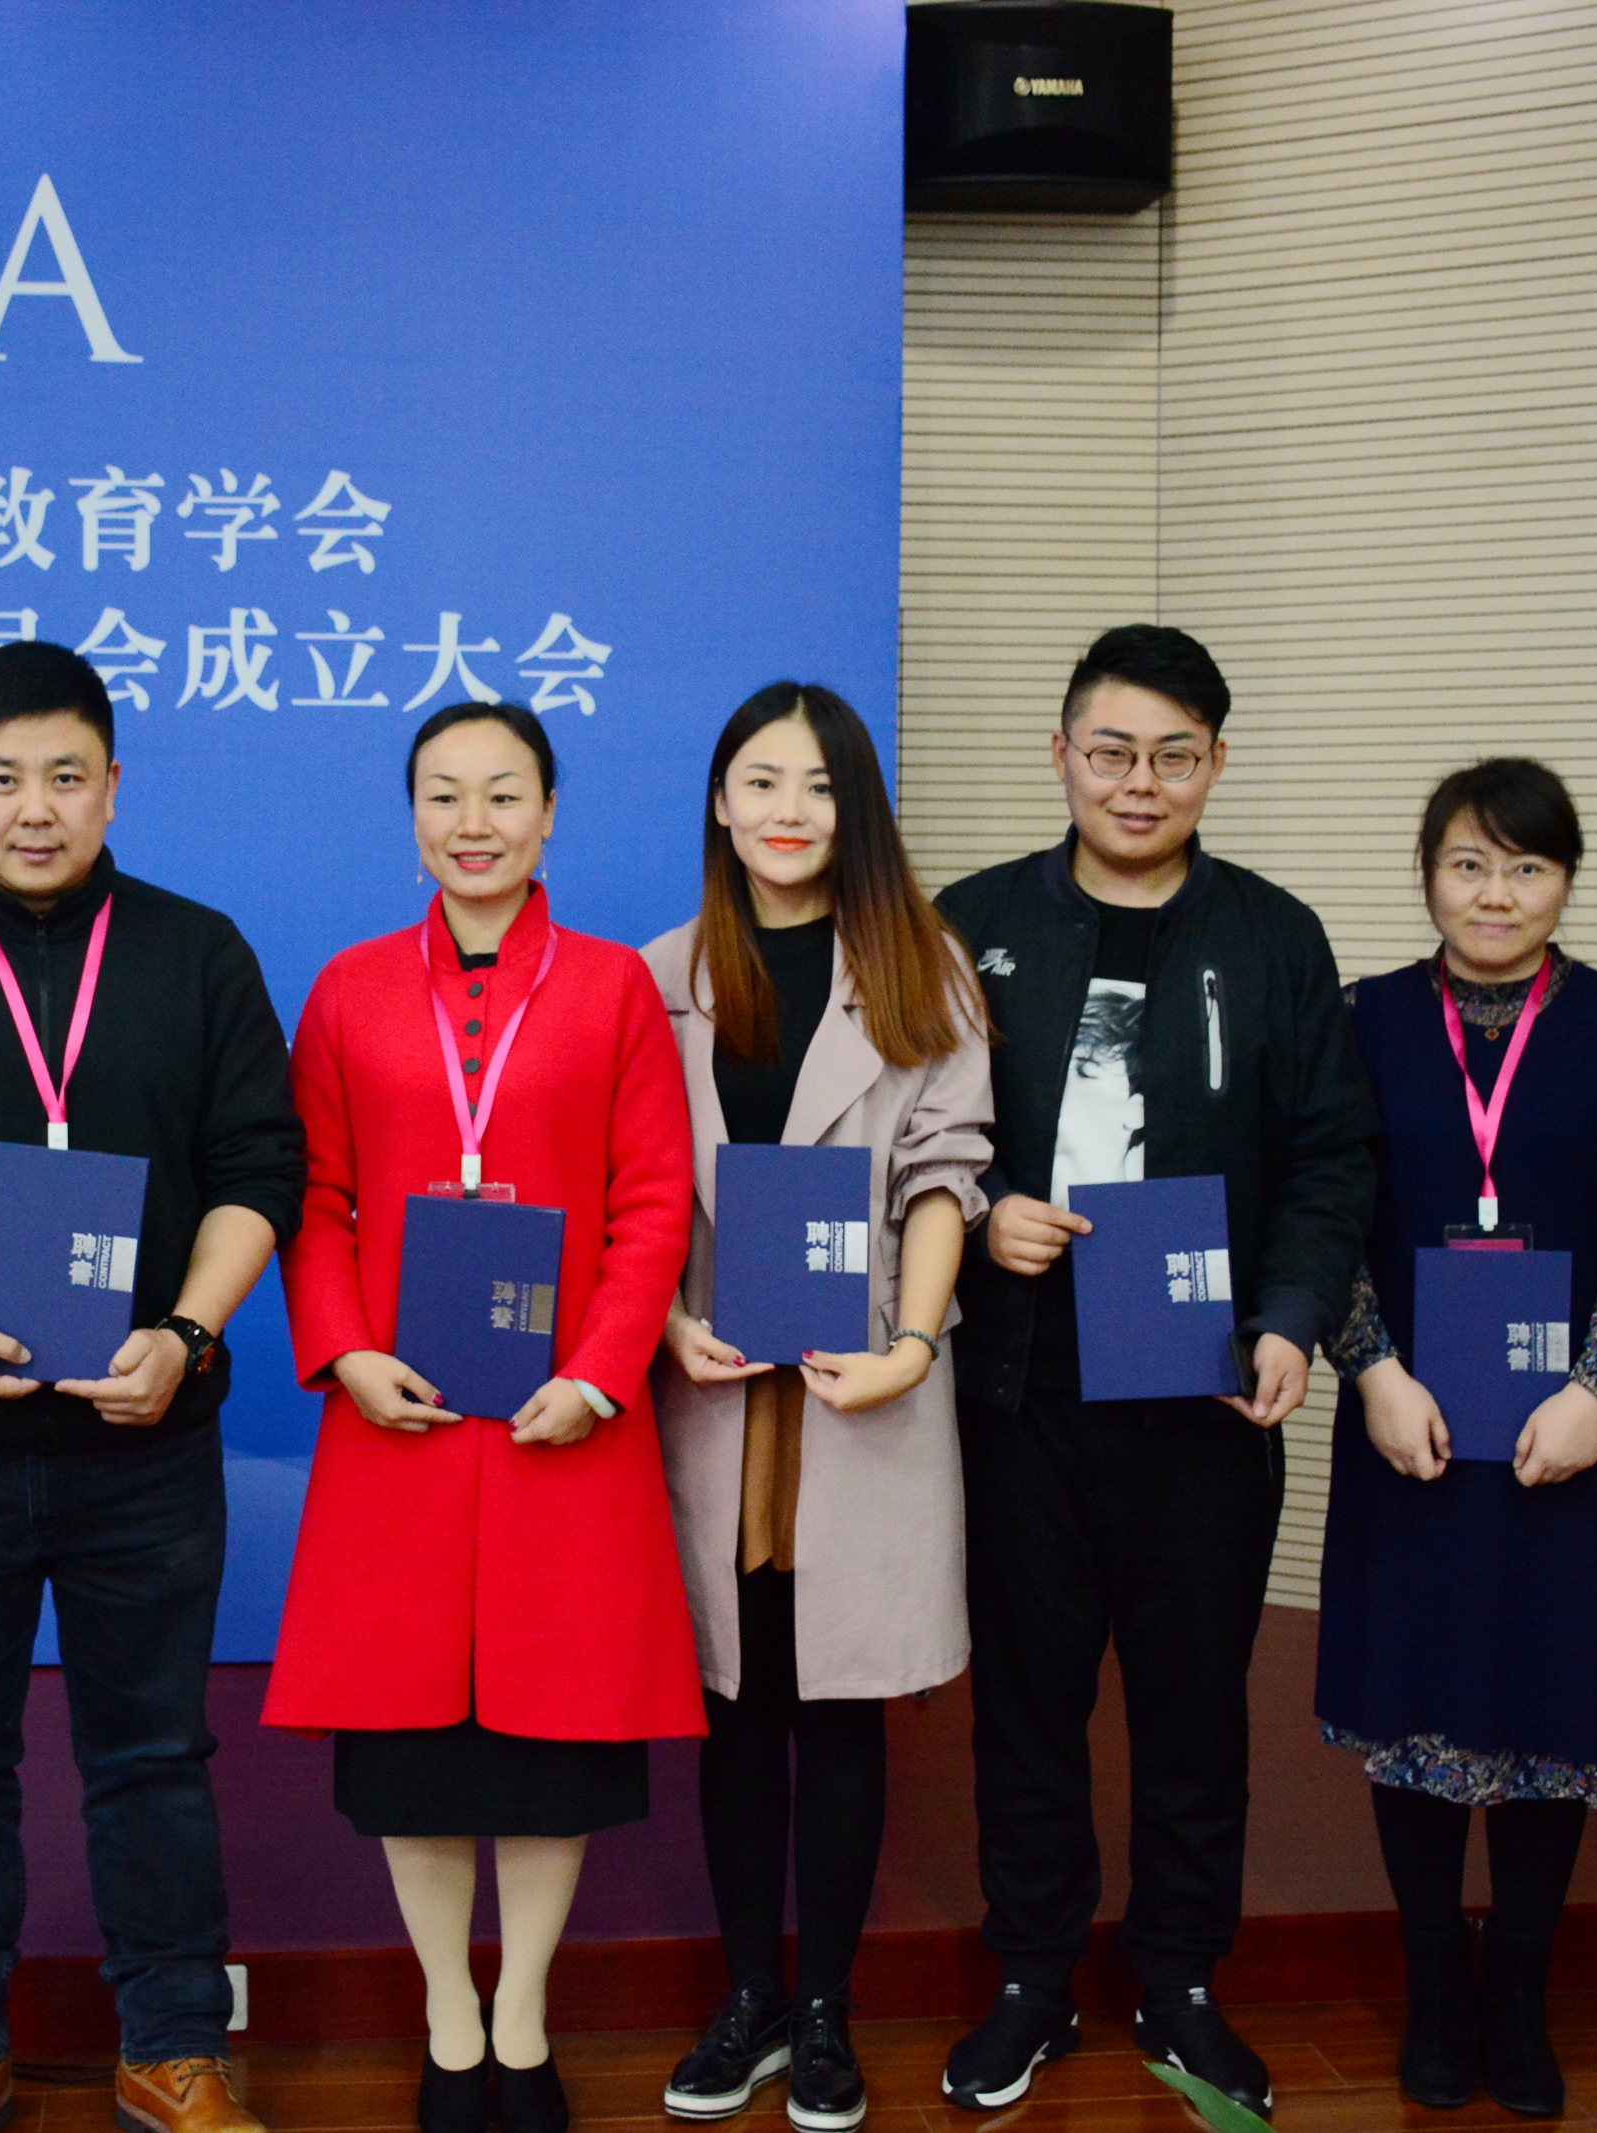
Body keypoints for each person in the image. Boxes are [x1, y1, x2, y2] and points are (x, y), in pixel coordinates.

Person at [0, 641, 305, 2133]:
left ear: (113, 786)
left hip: (143, 1436)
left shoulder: (196, 951)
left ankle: (174, 2041)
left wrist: (189, 1335)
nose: (36, 808)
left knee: (154, 1752)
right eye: (4, 778)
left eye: (67, 776)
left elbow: (258, 1165)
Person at [928, 624, 1377, 2120]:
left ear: (1217, 766)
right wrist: (983, 1211)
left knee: (1195, 1706)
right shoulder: (972, 923)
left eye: (1174, 755)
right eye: (1113, 751)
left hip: (1203, 1387)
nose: (1141, 782)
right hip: (1021, 1390)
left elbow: (1330, 1156)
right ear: (1060, 754)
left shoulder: (1276, 936)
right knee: (1028, 1703)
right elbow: (908, 1131)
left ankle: (1181, 1976)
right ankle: (1032, 1977)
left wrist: (1292, 1318)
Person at [268, 703, 701, 2133]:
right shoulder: (347, 989)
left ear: (550, 811)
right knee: (414, 1752)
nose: (474, 823)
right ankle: (449, 2022)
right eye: (444, 795)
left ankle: (523, 2018)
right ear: (411, 818)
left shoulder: (614, 988)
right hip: (399, 1418)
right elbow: (316, 1199)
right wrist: (343, 1351)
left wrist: (602, 1370)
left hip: (559, 1422)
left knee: (550, 1748)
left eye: (503, 794)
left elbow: (652, 1202)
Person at [643, 684, 993, 2133]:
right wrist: (664, 1322)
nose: (789, 809)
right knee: (735, 1712)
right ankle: (751, 2001)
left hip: (859, 1390)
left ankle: (829, 2008)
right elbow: (635, 1193)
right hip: (717, 1391)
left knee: (842, 1709)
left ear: (859, 809)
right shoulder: (657, 975)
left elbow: (944, 1176)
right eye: (761, 779)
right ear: (720, 803)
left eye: (822, 784)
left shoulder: (923, 967)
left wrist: (912, 1342)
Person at [1310, 759, 1597, 2119]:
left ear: (1565, 882)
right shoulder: (1359, 1019)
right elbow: (1327, 1211)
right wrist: (1371, 1368)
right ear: (1429, 876)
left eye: (1527, 866)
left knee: (1549, 1706)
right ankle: (1434, 1986)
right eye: (1469, 863)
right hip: (1410, 1422)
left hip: (1566, 1432)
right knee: (1416, 1709)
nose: (1497, 893)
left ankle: (1517, 1992)